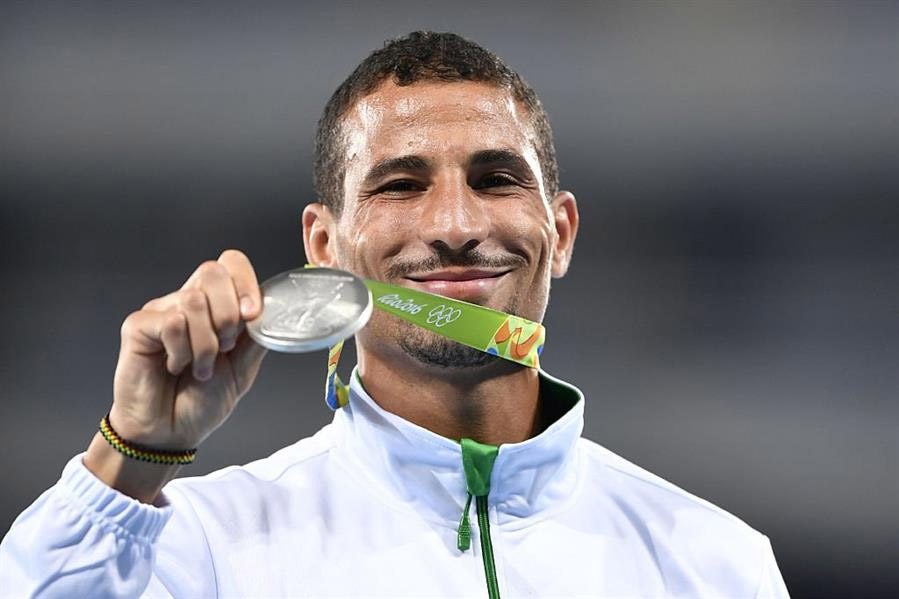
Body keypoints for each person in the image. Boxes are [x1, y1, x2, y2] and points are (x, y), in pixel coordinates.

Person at [0, 31, 789, 598]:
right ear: (324, 246)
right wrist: (132, 457)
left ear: (561, 232)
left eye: (495, 178)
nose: (454, 224)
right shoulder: (203, 547)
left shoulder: (714, 563)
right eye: (400, 185)